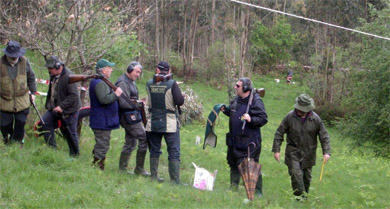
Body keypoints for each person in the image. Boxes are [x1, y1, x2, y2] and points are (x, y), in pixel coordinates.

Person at [272, 94, 331, 199]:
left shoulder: (316, 119)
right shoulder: (289, 117)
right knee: (296, 175)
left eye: (302, 109)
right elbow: (279, 133)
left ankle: (304, 197)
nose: (299, 111)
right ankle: (299, 198)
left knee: (306, 178)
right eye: (298, 108)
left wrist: (326, 152)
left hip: (309, 153)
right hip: (293, 152)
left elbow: (324, 136)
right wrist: (276, 150)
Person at [220, 77, 268, 197]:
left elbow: (263, 118)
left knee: (250, 166)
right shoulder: (237, 99)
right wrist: (225, 110)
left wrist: (251, 119)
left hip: (249, 140)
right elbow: (233, 112)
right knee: (233, 163)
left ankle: (257, 192)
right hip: (234, 139)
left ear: (245, 88)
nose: (235, 87)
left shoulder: (256, 101)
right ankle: (233, 188)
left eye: (238, 86)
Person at [146, 61, 184, 184]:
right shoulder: (172, 83)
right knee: (173, 151)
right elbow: (179, 101)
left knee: (154, 150)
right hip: (169, 122)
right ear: (168, 71)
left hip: (153, 122)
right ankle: (174, 181)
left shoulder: (149, 83)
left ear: (157, 70)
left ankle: (153, 177)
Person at [42, 55, 81, 156]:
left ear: (58, 66)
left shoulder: (69, 77)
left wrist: (61, 106)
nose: (49, 70)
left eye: (50, 68)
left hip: (70, 110)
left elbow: (74, 96)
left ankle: (74, 155)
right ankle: (52, 150)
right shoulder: (53, 75)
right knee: (45, 122)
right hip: (54, 108)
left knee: (71, 133)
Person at [116, 61, 150, 176]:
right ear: (130, 70)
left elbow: (130, 99)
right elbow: (123, 103)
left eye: (139, 72)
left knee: (130, 142)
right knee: (144, 138)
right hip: (127, 116)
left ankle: (122, 169)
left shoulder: (130, 82)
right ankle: (139, 169)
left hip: (131, 116)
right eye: (136, 72)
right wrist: (138, 104)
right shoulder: (123, 82)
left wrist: (138, 103)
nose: (138, 75)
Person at [0, 40, 36, 146]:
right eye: (11, 56)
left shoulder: (25, 62)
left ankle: (17, 144)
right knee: (4, 125)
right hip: (4, 101)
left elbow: (31, 77)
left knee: (20, 122)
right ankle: (7, 141)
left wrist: (33, 93)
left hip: (22, 100)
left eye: (15, 56)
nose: (14, 58)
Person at [90, 59, 123, 170]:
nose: (111, 70)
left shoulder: (101, 82)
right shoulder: (100, 83)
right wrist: (116, 94)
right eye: (109, 67)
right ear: (103, 70)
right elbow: (104, 100)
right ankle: (97, 168)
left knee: (102, 143)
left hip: (103, 119)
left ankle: (97, 164)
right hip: (101, 120)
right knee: (102, 145)